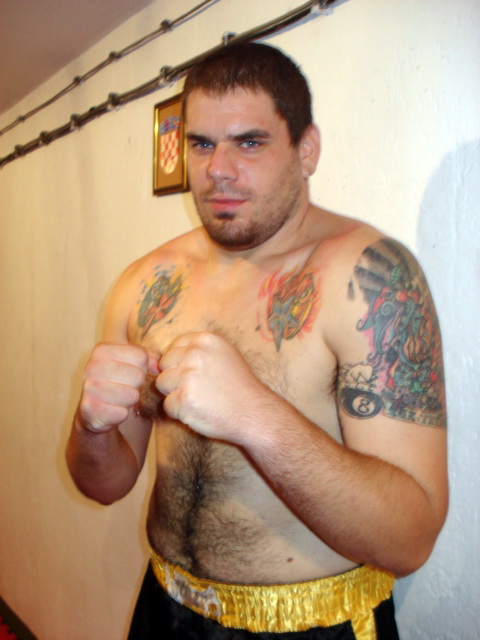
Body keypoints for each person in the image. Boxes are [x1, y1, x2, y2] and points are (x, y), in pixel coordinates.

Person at [66, 42, 448, 639]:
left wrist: (254, 416)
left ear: (306, 149)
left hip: (313, 624)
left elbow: (411, 540)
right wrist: (90, 428)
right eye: (201, 144)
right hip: (164, 607)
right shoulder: (145, 285)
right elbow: (106, 485)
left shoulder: (368, 280)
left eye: (248, 142)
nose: (218, 169)